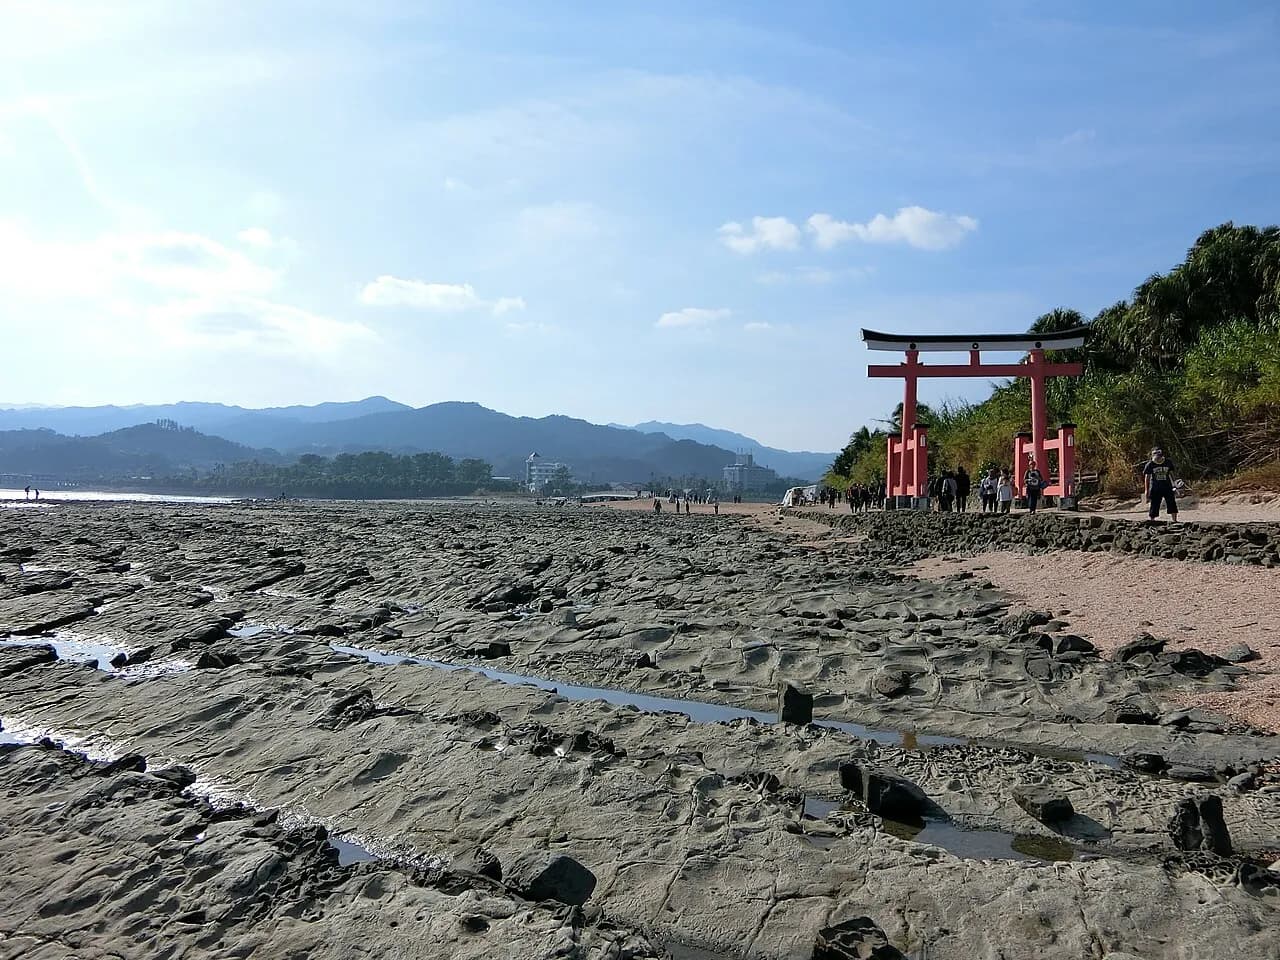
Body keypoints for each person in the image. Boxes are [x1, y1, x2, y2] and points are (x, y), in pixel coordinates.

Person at [1143, 445, 1179, 522]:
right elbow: (1147, 478)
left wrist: (1175, 486)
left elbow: (1172, 474)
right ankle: (1152, 520)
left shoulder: (1168, 462)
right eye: (1156, 457)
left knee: (1172, 503)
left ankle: (1174, 520)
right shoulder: (1150, 464)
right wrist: (1146, 490)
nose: (1158, 459)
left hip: (1167, 487)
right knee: (1154, 505)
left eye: (1159, 457)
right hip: (1155, 488)